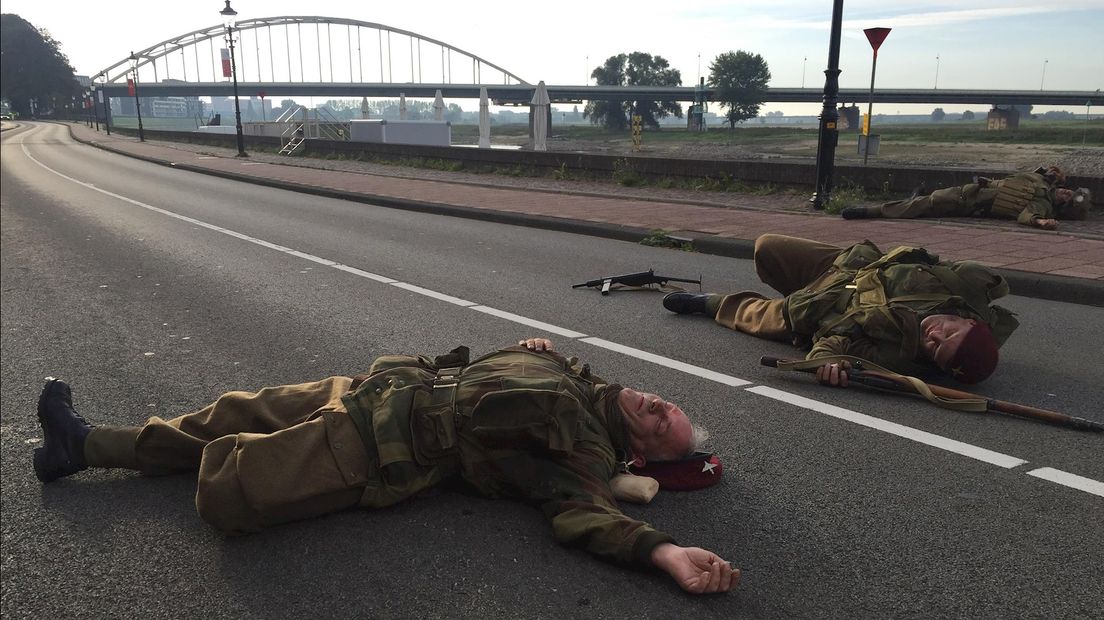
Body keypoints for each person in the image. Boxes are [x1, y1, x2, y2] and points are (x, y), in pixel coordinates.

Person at [32, 337, 738, 595]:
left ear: (640, 451)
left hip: (380, 450)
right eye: (663, 401)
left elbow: (583, 512)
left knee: (229, 492)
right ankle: (86, 446)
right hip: (375, 390)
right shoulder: (573, 372)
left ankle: (100, 452)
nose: (655, 402)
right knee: (227, 414)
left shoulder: (582, 449)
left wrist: (665, 553)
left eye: (661, 420)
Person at [662, 234, 1020, 385]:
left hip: (816, 310)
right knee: (766, 247)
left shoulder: (895, 358)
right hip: (842, 268)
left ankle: (706, 303)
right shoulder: (961, 288)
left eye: (939, 349)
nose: (936, 335)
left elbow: (836, 344)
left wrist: (826, 363)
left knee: (752, 316)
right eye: (950, 332)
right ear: (967, 319)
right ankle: (792, 285)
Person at [841, 166, 1092, 230]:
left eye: (1069, 197)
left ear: (1062, 206)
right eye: (1070, 190)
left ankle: (869, 211)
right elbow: (1033, 174)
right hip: (970, 190)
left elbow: (1028, 216)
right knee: (926, 203)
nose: (1067, 192)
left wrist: (1040, 223)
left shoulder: (1042, 205)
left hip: (969, 202)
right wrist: (1052, 173)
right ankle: (903, 202)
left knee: (925, 204)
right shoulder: (1043, 181)